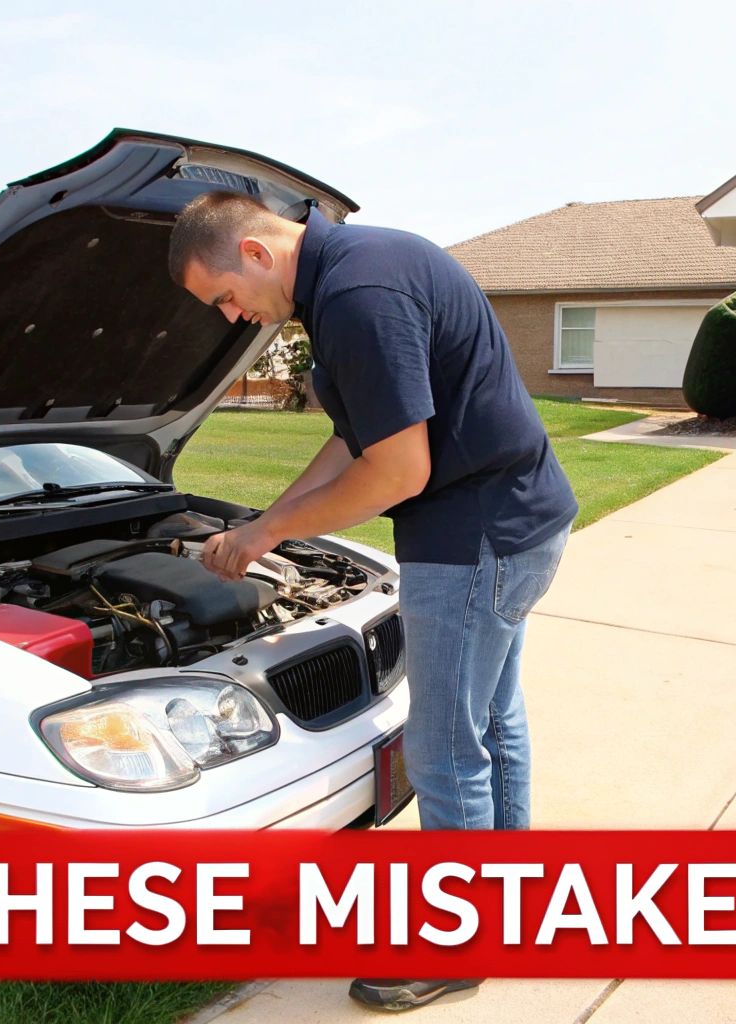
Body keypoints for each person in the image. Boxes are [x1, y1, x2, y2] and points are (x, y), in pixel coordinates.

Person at [169, 191, 576, 1011]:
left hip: (475, 543)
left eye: (223, 297)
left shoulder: (357, 297)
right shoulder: (356, 272)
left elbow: (398, 472)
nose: (233, 317)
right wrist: (266, 527)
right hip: (515, 523)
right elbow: (355, 435)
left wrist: (268, 534)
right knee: (492, 720)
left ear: (253, 253)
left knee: (444, 749)